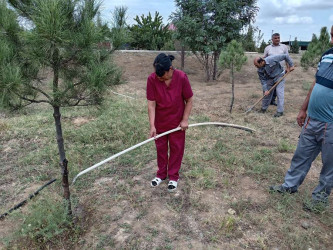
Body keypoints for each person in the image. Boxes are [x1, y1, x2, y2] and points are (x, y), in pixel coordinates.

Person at [269, 25, 333, 213]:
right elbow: (316, 83)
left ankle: (320, 199)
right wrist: (303, 108)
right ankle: (289, 186)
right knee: (301, 156)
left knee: (329, 166)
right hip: (312, 120)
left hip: (330, 125)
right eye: (331, 35)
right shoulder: (327, 55)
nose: (331, 40)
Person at [146, 53, 193, 192]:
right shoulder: (152, 79)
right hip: (160, 122)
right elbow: (151, 105)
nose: (159, 78)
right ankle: (161, 174)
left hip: (177, 124)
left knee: (176, 149)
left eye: (162, 76)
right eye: (158, 76)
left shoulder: (181, 77)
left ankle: (173, 176)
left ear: (170, 69)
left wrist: (184, 120)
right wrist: (152, 125)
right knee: (161, 149)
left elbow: (189, 100)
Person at [264, 33, 289, 106]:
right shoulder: (267, 48)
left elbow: (287, 57)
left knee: (278, 87)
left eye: (278, 38)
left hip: (281, 71)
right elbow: (264, 58)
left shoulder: (284, 47)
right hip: (270, 71)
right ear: (272, 39)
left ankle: (273, 100)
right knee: (270, 86)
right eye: (275, 38)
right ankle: (269, 101)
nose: (277, 39)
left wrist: (288, 67)